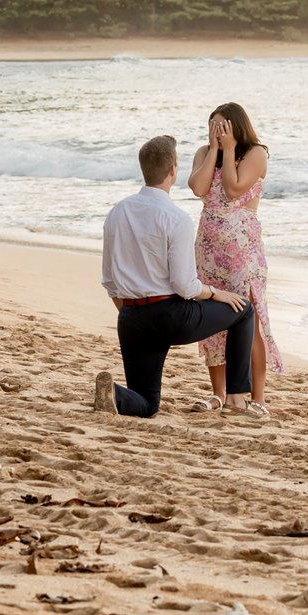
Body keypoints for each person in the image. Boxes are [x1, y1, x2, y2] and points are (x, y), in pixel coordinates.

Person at [95, 133, 256, 419]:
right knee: (243, 309)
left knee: (146, 404)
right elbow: (185, 286)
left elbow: (109, 281)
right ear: (173, 170)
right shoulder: (176, 218)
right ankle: (236, 398)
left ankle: (115, 393)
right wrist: (216, 292)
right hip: (170, 317)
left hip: (130, 319)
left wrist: (133, 313)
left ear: (144, 168)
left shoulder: (117, 212)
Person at [188, 103, 284, 416]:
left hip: (243, 249)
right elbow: (198, 187)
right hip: (208, 247)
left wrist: (229, 150)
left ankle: (257, 397)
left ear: (235, 126)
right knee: (214, 317)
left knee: (250, 317)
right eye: (211, 126)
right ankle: (219, 393)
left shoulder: (256, 153)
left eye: (222, 127)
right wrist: (216, 149)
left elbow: (233, 189)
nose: (215, 132)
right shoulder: (205, 152)